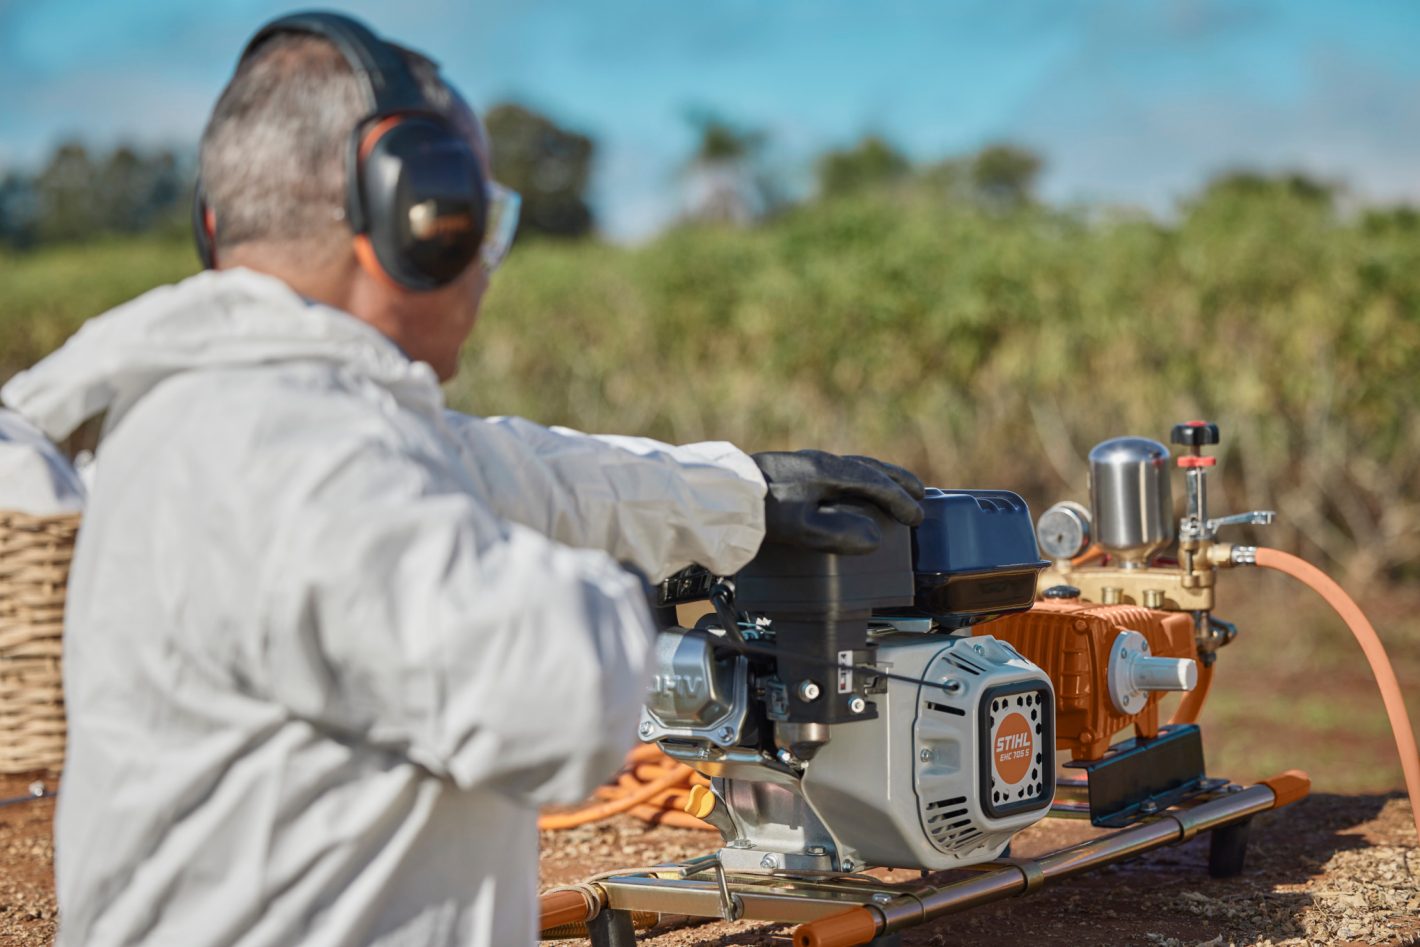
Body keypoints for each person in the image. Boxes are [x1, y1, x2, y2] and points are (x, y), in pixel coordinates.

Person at [1, 12, 924, 947]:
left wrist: (743, 495)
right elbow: (550, 699)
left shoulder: (240, 410)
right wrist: (658, 621)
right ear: (420, 219)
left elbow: (523, 472)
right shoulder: (284, 451)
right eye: (481, 218)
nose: (484, 262)